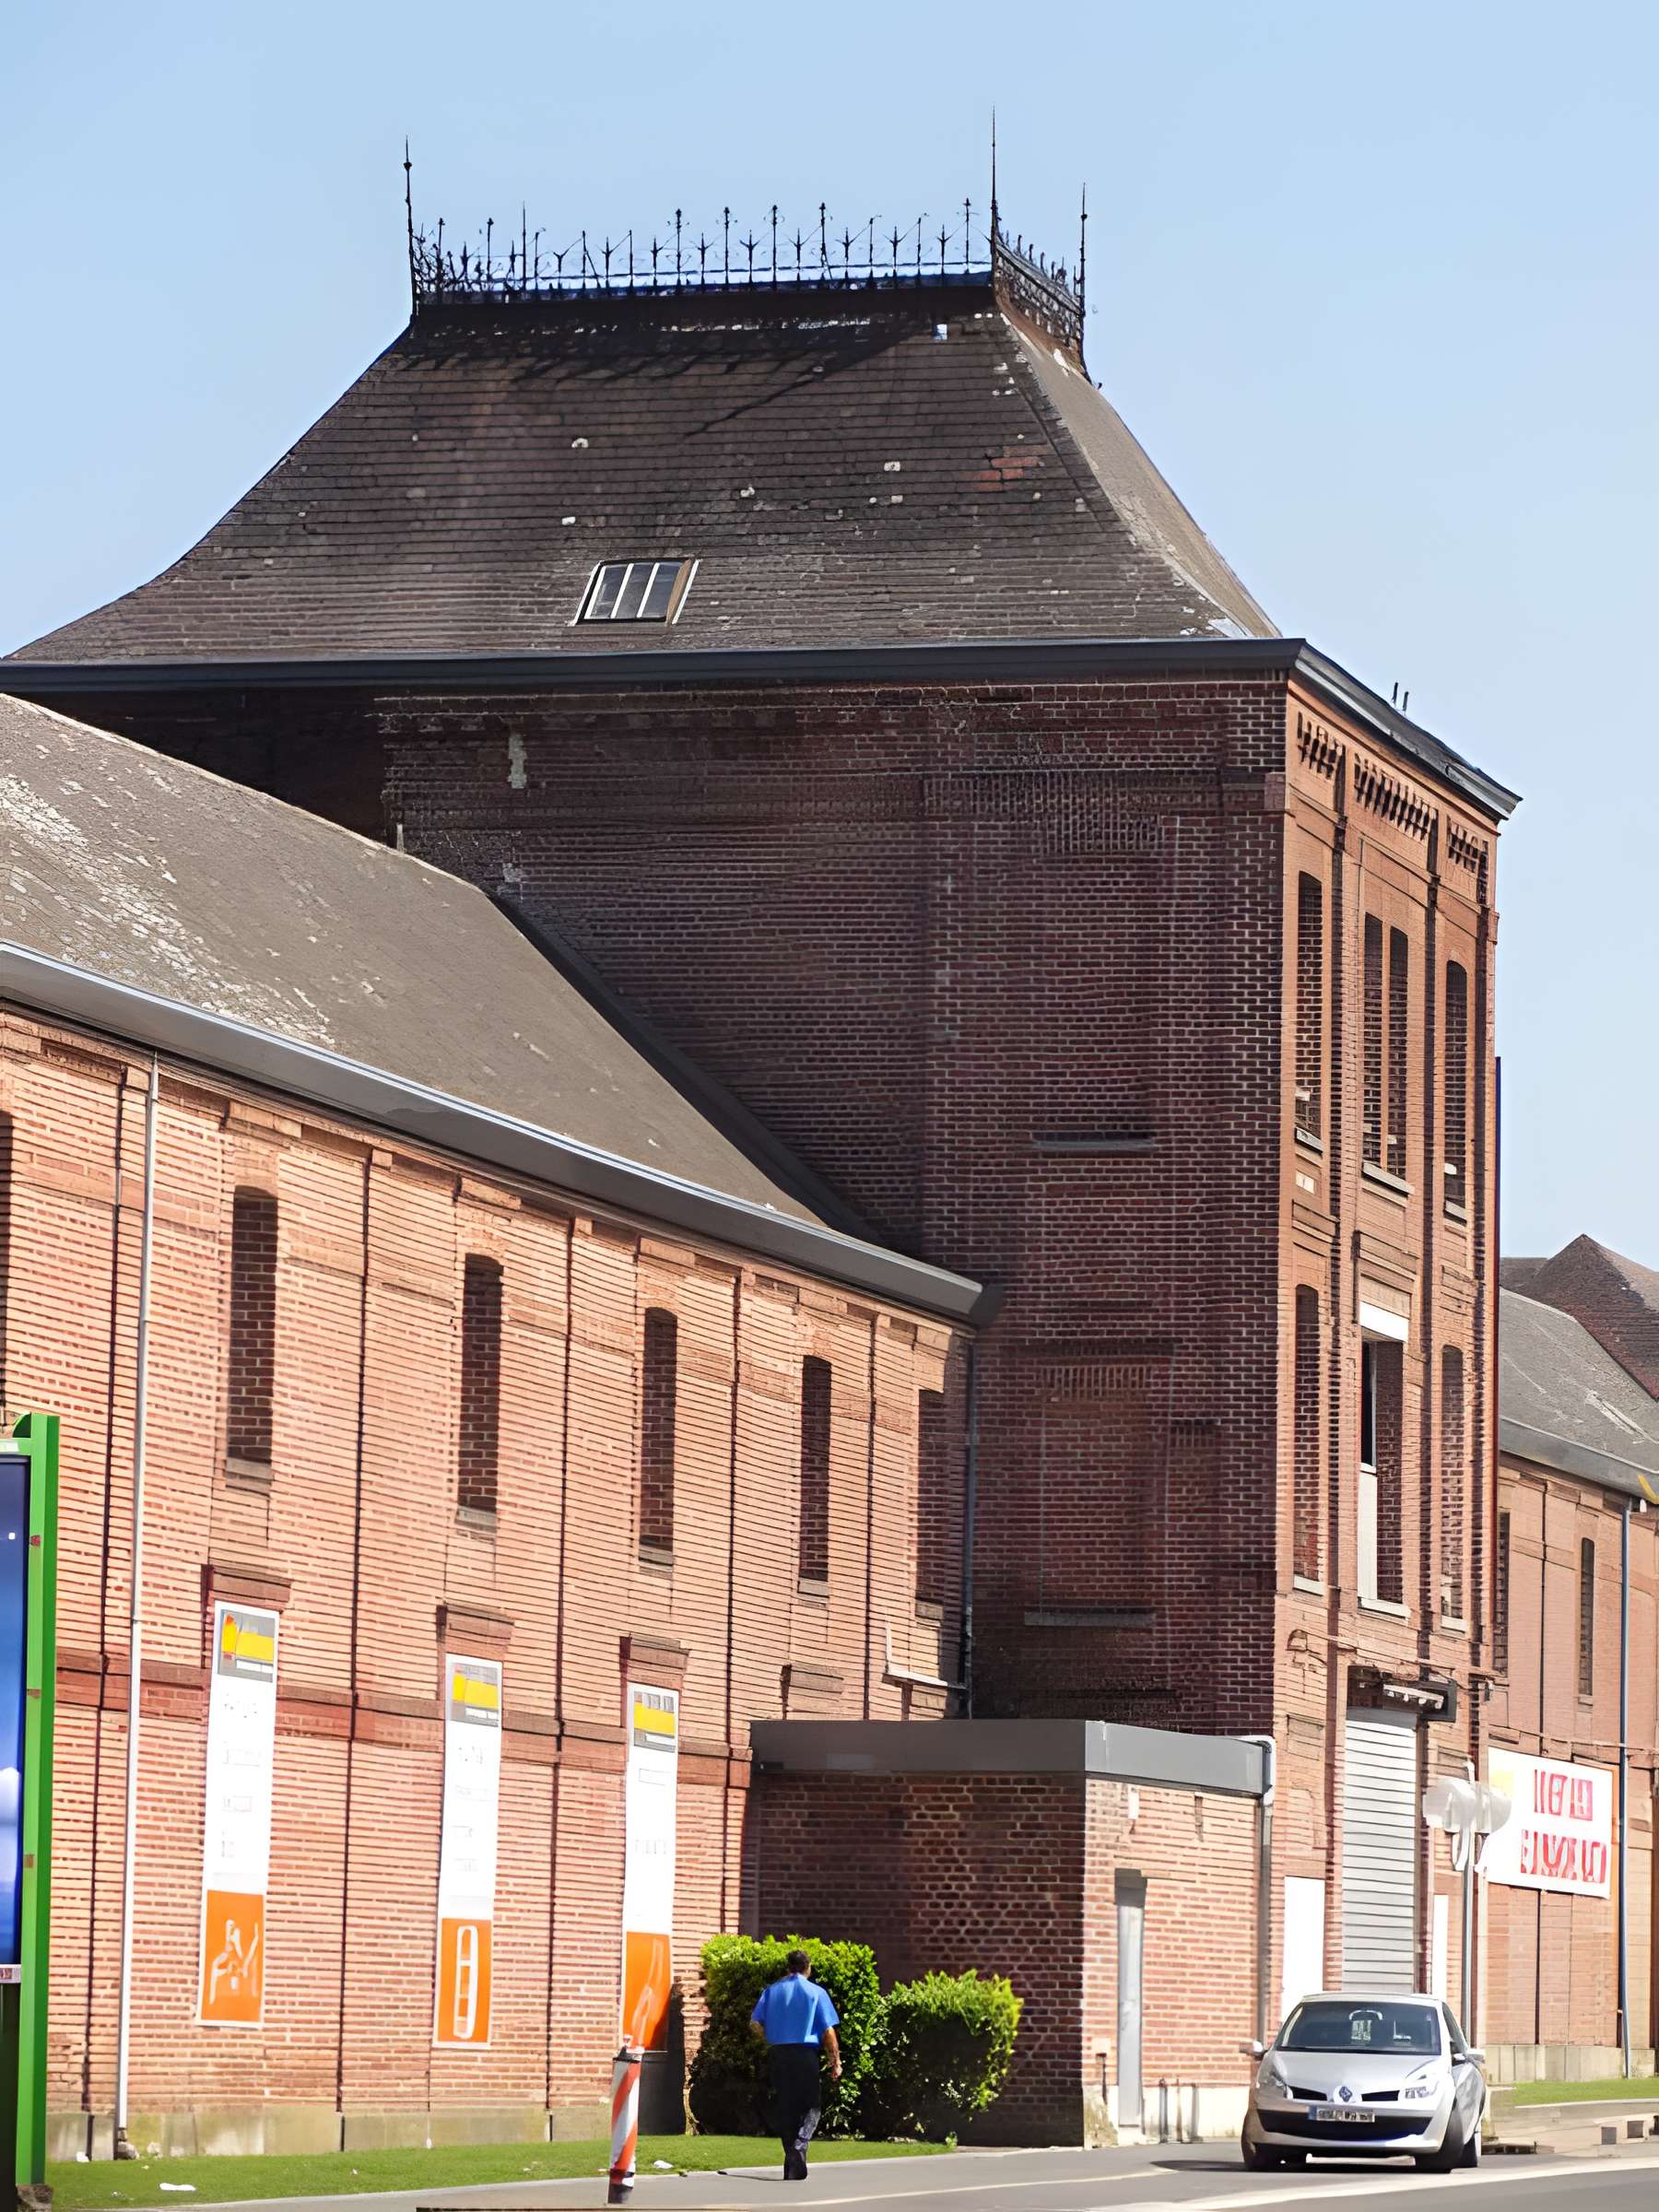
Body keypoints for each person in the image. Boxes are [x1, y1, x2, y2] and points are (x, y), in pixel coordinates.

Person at [749, 1947, 841, 2180]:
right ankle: (799, 2147)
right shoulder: (816, 1992)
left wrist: (769, 2037)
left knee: (786, 2108)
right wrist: (835, 2061)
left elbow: (755, 2024)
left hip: (779, 2054)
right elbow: (828, 2031)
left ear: (787, 1967)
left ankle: (792, 2165)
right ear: (808, 1968)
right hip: (805, 2054)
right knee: (812, 2106)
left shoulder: (772, 1992)